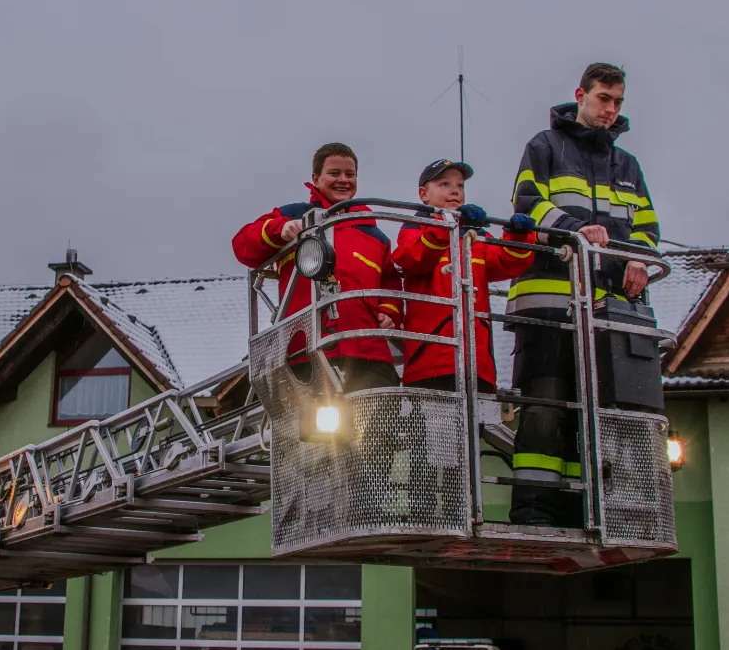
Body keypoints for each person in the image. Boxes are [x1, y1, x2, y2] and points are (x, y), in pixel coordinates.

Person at [506, 63, 661, 527]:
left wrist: (639, 258)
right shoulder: (545, 145)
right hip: (548, 303)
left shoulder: (627, 166)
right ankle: (534, 508)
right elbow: (527, 206)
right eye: (603, 99)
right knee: (545, 408)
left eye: (617, 102)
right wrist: (577, 230)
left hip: (605, 310)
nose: (610, 110)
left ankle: (580, 507)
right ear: (581, 95)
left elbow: (649, 229)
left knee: (593, 412)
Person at [232, 142, 403, 391]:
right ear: (316, 178)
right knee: (314, 431)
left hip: (370, 356)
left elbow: (390, 284)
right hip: (306, 353)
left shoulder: (374, 234)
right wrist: (279, 231)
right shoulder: (295, 216)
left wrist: (390, 313)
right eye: (334, 173)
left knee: (380, 429)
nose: (343, 180)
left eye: (350, 174)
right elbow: (242, 245)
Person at [392, 159, 537, 393]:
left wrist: (518, 237)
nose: (455, 190)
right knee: (435, 430)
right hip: (430, 362)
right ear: (423, 194)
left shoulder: (475, 234)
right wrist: (446, 227)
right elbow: (413, 258)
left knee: (474, 430)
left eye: (460, 186)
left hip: (478, 363)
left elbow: (507, 263)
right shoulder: (414, 227)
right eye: (444, 184)